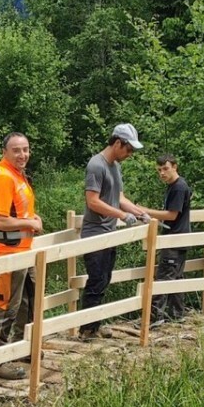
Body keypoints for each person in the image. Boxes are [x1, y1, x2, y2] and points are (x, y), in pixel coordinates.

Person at [79, 123, 149, 340]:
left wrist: (138, 212)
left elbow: (119, 198)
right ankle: (86, 330)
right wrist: (120, 215)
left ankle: (94, 326)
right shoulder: (96, 165)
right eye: (128, 150)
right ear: (117, 142)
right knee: (96, 280)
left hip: (109, 233)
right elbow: (93, 202)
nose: (129, 154)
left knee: (105, 279)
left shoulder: (115, 167)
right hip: (95, 234)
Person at [0, 132, 42, 379]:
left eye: (26, 149)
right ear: (5, 152)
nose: (22, 155)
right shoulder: (2, 177)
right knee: (5, 305)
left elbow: (19, 210)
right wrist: (29, 223)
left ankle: (22, 347)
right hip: (6, 253)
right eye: (17, 150)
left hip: (22, 251)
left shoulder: (18, 175)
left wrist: (32, 220)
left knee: (28, 302)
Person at [139, 154, 192, 324]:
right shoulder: (173, 186)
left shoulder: (179, 187)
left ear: (175, 167)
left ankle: (153, 317)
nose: (162, 173)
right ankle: (177, 315)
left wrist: (145, 211)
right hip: (178, 237)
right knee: (176, 277)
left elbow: (171, 215)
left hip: (175, 239)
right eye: (159, 170)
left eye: (165, 169)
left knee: (164, 277)